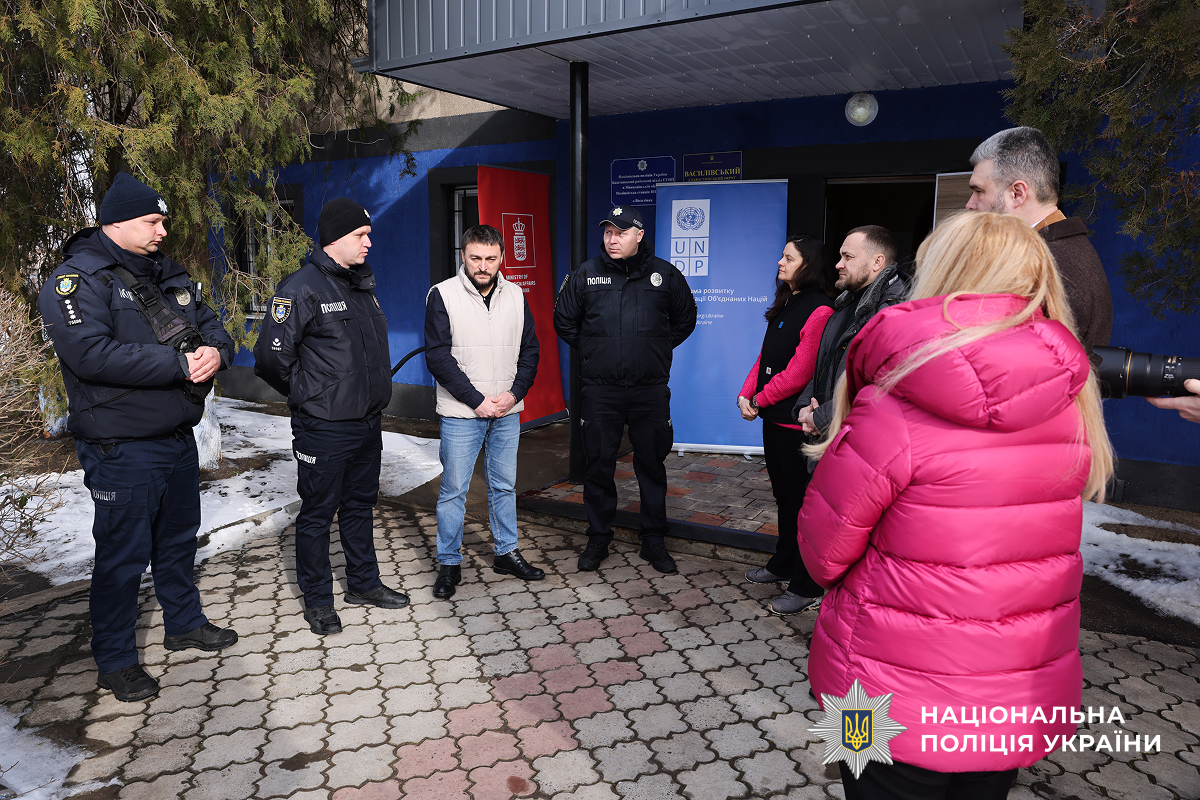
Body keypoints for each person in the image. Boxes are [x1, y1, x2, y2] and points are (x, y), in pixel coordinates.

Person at [798, 211, 1115, 800]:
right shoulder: (1073, 403)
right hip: (1007, 700)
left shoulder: (891, 404)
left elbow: (822, 554)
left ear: (943, 273)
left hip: (875, 693)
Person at [38, 172, 239, 702]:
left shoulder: (166, 273)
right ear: (117, 222)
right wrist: (178, 364)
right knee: (123, 557)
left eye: (163, 221)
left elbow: (212, 324)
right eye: (153, 221)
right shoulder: (77, 280)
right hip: (121, 445)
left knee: (177, 540)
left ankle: (184, 623)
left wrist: (217, 352)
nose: (163, 231)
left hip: (175, 437)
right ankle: (116, 660)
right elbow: (90, 354)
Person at [254, 197, 408, 635]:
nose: (368, 242)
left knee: (359, 506)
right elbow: (270, 359)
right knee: (318, 513)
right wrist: (310, 394)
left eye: (368, 234)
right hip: (324, 427)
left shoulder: (361, 285)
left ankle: (363, 584)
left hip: (367, 422)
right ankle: (319, 601)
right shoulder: (300, 289)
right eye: (361, 235)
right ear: (335, 237)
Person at [554, 205, 697, 574]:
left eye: (620, 232)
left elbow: (685, 320)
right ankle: (599, 537)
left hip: (649, 390)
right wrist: (594, 350)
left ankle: (653, 540)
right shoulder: (586, 274)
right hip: (601, 390)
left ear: (639, 235)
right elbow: (564, 320)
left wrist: (655, 348)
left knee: (651, 464)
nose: (612, 239)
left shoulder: (665, 275)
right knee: (598, 465)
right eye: (608, 232)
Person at [424, 224, 544, 599]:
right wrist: (477, 400)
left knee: (504, 486)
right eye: (475, 257)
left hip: (507, 411)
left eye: (491, 258)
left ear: (502, 257)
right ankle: (449, 563)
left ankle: (506, 553)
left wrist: (514, 394)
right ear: (463, 255)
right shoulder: (442, 295)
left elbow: (530, 351)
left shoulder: (517, 295)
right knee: (453, 491)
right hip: (462, 414)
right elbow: (438, 358)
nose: (483, 265)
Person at [736, 235, 834, 615]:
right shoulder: (786, 302)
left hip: (795, 424)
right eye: (781, 256)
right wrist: (746, 394)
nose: (780, 262)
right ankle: (782, 563)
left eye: (788, 258)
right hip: (772, 418)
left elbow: (798, 372)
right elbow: (766, 358)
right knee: (783, 499)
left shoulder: (819, 309)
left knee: (800, 504)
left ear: (808, 264)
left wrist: (759, 400)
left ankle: (805, 584)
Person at [966, 125, 1113, 354]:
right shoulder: (1059, 253)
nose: (970, 204)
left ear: (1017, 193)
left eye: (979, 191)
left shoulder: (1050, 270)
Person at [793, 226, 908, 442]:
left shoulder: (894, 312)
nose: (839, 264)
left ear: (877, 262)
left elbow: (877, 387)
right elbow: (825, 363)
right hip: (826, 431)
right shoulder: (846, 302)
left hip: (858, 440)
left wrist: (821, 417)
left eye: (848, 257)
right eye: (840, 256)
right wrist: (805, 405)